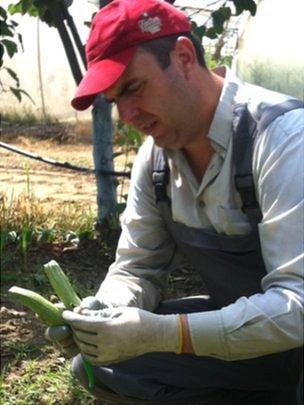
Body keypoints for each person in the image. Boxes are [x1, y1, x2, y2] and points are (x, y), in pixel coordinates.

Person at [46, 0, 304, 403]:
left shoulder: (285, 140)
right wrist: (104, 313)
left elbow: (297, 306)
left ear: (184, 57)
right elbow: (137, 268)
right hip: (250, 345)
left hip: (296, 336)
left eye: (133, 87)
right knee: (100, 367)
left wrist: (169, 333)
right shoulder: (157, 161)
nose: (128, 114)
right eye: (115, 100)